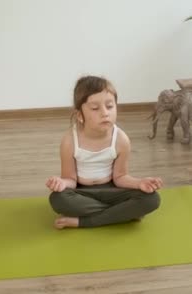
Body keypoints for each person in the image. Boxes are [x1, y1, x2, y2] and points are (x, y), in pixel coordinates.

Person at [46, 75, 163, 229]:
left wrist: (139, 183)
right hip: (82, 193)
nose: (105, 113)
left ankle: (84, 221)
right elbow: (70, 179)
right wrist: (61, 183)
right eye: (95, 108)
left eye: (110, 106)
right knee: (58, 199)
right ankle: (123, 214)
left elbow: (120, 177)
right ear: (80, 115)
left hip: (112, 190)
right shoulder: (69, 141)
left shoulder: (121, 139)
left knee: (151, 199)